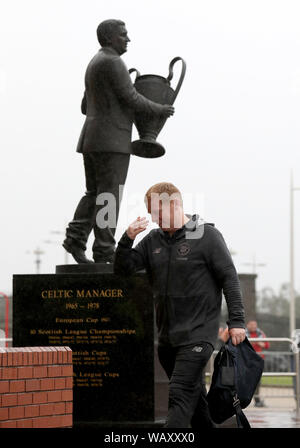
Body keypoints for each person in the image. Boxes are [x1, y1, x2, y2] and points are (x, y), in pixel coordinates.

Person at [114, 182, 246, 428]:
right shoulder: (153, 240)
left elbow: (229, 277)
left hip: (198, 335)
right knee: (197, 406)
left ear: (174, 205)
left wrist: (237, 321)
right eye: (151, 214)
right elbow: (123, 271)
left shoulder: (207, 236)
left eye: (158, 213)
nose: (154, 220)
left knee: (179, 393)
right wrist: (127, 239)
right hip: (167, 340)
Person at [63, 19, 174, 264]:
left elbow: (84, 106)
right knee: (109, 197)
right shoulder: (113, 62)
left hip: (91, 138)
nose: (128, 39)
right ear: (110, 37)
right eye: (123, 35)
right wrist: (159, 109)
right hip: (111, 140)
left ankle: (76, 238)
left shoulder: (95, 62)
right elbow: (132, 98)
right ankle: (104, 250)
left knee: (94, 193)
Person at [245, 320, 269, 407]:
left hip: (258, 360)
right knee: (245, 380)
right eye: (251, 324)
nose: (253, 326)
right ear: (247, 325)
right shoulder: (243, 332)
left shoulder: (260, 333)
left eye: (255, 325)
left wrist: (256, 342)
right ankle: (242, 399)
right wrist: (257, 343)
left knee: (257, 381)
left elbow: (266, 345)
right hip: (246, 360)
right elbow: (242, 344)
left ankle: (257, 400)